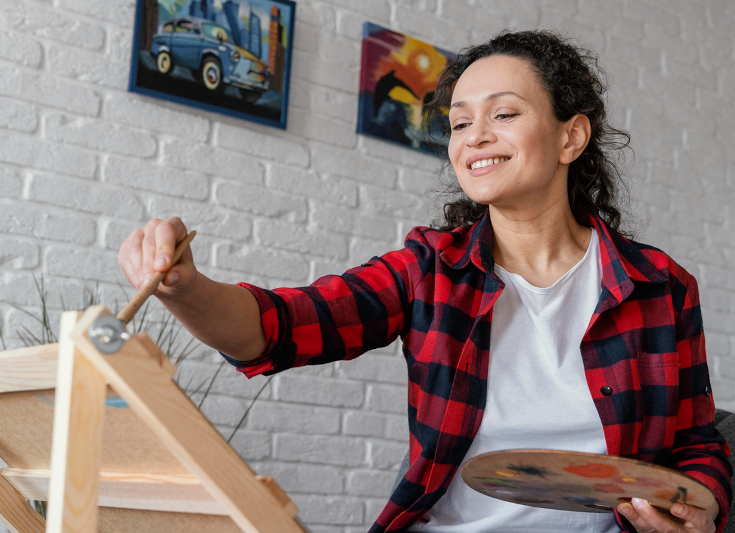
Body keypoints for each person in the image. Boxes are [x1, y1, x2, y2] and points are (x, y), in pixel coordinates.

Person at [119, 30, 732, 533]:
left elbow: (698, 442)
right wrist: (186, 287)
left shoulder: (661, 285)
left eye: (504, 114)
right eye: (460, 124)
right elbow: (280, 327)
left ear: (571, 136)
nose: (475, 138)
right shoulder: (429, 271)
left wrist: (702, 505)